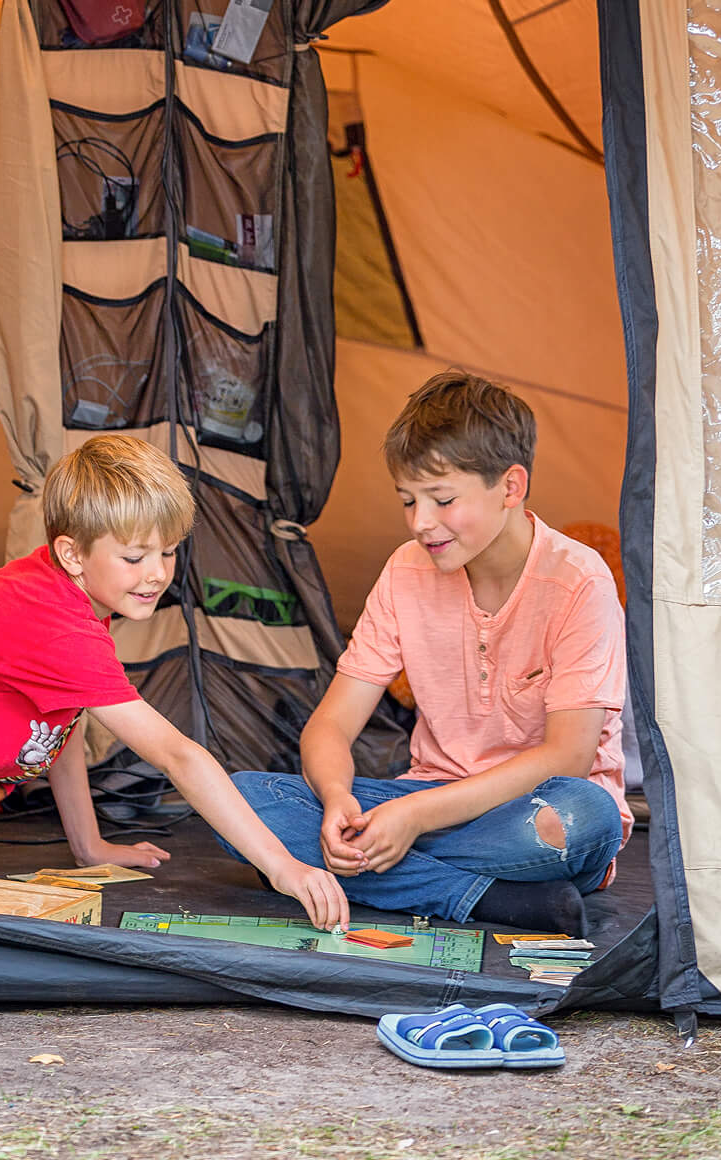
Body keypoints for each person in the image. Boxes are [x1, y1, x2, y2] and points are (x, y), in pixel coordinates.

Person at [0, 432, 349, 933]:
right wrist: (284, 867)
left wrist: (88, 845)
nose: (157, 573)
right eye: (134, 557)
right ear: (72, 554)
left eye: (169, 551)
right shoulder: (49, 621)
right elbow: (179, 756)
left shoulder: (83, 599)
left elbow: (59, 724)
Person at [230, 372, 630, 937]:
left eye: (443, 500)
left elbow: (566, 756)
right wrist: (339, 798)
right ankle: (483, 897)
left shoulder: (579, 580)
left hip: (533, 810)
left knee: (584, 818)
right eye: (408, 500)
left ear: (510, 487)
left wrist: (413, 819)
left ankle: (359, 869)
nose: (421, 522)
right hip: (428, 794)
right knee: (237, 800)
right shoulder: (405, 571)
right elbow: (329, 727)